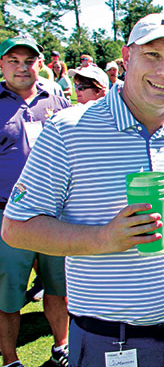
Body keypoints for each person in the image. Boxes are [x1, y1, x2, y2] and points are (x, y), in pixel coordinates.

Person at [2, 13, 164, 366]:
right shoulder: (68, 131)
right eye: (152, 56)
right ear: (126, 56)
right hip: (110, 340)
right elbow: (16, 227)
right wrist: (103, 238)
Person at [0, 35, 71, 367]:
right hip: (8, 216)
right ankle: (12, 359)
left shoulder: (54, 98)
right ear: (2, 65)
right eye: (13, 60)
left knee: (59, 288)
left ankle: (62, 346)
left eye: (28, 61)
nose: (21, 67)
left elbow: (76, 143)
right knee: (8, 295)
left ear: (39, 64)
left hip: (54, 215)